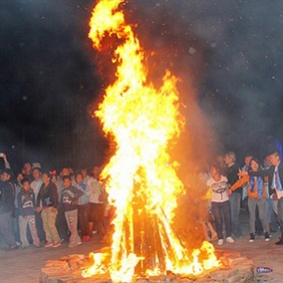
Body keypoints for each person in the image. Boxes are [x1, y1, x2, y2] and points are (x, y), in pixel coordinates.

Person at [243, 150, 283, 245]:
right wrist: (249, 173)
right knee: (280, 218)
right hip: (279, 195)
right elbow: (261, 173)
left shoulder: (281, 167)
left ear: (277, 157)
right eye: (269, 158)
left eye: (272, 158)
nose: (270, 160)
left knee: (280, 217)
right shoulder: (273, 168)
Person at [231, 158, 270, 242]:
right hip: (251, 198)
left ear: (258, 164)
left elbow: (270, 179)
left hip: (261, 197)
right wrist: (231, 189)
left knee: (262, 216)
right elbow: (240, 182)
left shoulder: (262, 174)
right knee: (252, 217)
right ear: (250, 166)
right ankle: (252, 234)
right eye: (252, 164)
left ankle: (266, 232)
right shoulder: (248, 175)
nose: (255, 165)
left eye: (256, 163)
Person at [206, 165, 234, 245]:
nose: (211, 171)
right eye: (210, 170)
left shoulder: (224, 178)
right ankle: (220, 237)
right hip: (215, 202)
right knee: (218, 220)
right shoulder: (209, 181)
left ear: (217, 170)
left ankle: (228, 236)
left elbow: (228, 186)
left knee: (227, 218)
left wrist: (229, 190)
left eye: (213, 169)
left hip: (225, 201)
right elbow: (206, 192)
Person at [36, 172, 61, 248]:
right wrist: (38, 206)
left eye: (44, 177)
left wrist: (55, 206)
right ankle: (49, 240)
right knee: (45, 225)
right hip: (44, 207)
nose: (43, 178)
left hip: (51, 207)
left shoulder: (52, 186)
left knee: (51, 224)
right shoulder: (43, 186)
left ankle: (56, 240)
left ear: (49, 178)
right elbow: (38, 196)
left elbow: (55, 196)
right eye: (42, 177)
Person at [61, 175, 83, 248]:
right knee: (70, 226)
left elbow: (80, 192)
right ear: (63, 183)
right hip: (66, 210)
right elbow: (62, 201)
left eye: (68, 182)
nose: (66, 183)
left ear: (70, 182)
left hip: (72, 209)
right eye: (65, 182)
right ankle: (78, 239)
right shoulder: (63, 191)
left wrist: (75, 199)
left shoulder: (72, 188)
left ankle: (73, 242)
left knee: (72, 226)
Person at [17, 178, 40, 248]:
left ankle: (36, 242)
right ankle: (24, 243)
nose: (26, 186)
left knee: (33, 229)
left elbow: (34, 202)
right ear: (22, 186)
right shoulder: (20, 195)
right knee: (23, 229)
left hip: (31, 214)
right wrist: (23, 214)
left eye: (28, 185)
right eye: (25, 185)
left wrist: (36, 208)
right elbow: (20, 205)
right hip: (23, 215)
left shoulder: (32, 193)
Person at [224, 151, 242, 238]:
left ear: (231, 158)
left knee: (234, 212)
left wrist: (231, 188)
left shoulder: (235, 168)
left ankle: (237, 232)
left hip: (234, 192)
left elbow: (237, 180)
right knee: (230, 212)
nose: (225, 159)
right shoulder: (228, 168)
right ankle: (233, 231)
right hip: (230, 192)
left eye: (226, 157)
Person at [0, 169, 18, 250]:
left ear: (8, 176)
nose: (2, 176)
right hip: (6, 208)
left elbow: (6, 199)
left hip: (6, 209)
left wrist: (3, 207)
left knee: (4, 227)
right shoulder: (7, 184)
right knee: (5, 227)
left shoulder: (8, 185)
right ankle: (10, 243)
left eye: (4, 175)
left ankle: (13, 244)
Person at [87, 166, 105, 237]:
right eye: (95, 170)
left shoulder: (102, 180)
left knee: (100, 218)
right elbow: (89, 190)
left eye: (98, 170)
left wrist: (102, 196)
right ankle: (90, 232)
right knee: (91, 218)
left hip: (100, 202)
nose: (97, 171)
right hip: (93, 201)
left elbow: (104, 190)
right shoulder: (90, 180)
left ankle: (101, 232)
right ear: (92, 171)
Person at [74, 171, 91, 242]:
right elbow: (74, 195)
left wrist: (83, 190)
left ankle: (88, 234)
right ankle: (84, 234)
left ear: (83, 178)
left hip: (85, 204)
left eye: (81, 177)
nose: (79, 179)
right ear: (75, 179)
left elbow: (88, 194)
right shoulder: (75, 186)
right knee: (81, 220)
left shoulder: (85, 185)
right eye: (78, 178)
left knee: (86, 218)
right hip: (79, 205)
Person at [30, 167, 45, 241]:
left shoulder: (43, 182)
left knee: (45, 223)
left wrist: (41, 206)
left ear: (40, 173)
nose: (35, 174)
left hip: (44, 206)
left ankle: (47, 238)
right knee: (38, 223)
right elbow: (32, 197)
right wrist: (35, 207)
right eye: (34, 173)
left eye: (37, 172)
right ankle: (41, 237)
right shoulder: (32, 184)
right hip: (36, 207)